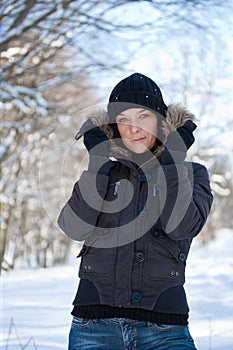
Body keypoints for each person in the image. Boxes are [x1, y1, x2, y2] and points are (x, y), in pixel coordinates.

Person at [58, 73, 213, 350]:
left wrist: (172, 160)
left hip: (165, 330)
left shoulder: (191, 174)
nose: (134, 128)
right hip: (94, 328)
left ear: (161, 120)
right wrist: (97, 161)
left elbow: (181, 226)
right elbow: (74, 227)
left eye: (144, 116)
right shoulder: (104, 172)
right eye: (123, 119)